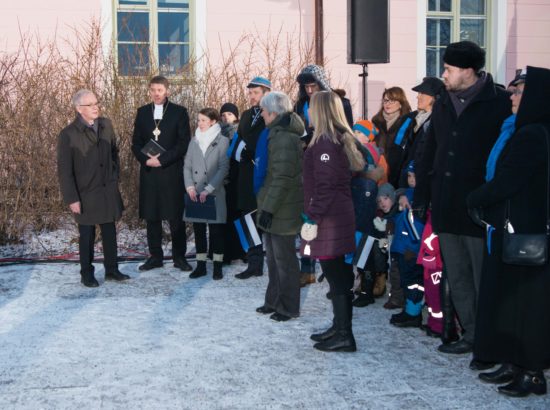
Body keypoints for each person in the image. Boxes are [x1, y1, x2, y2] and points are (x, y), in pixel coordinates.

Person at [414, 41, 512, 362]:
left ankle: (490, 340)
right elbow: (431, 151)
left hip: (477, 209)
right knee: (457, 277)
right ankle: (471, 335)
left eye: (449, 69)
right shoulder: (444, 102)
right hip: (444, 205)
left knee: (483, 278)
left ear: (468, 71)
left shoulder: (497, 101)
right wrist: (422, 196)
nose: (443, 74)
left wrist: (490, 198)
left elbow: (504, 157)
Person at [466, 66, 550, 397]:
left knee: (527, 306)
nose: (511, 96)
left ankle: (531, 372)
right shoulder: (527, 130)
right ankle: (515, 362)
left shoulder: (532, 135)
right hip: (517, 229)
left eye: (518, 92)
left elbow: (508, 181)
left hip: (526, 235)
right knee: (511, 304)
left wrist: (474, 198)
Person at [300, 91, 365, 352]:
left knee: (337, 277)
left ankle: (345, 334)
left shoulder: (326, 143)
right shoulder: (329, 139)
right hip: (333, 215)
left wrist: (313, 218)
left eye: (311, 108)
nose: (307, 112)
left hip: (330, 218)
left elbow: (325, 186)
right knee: (335, 274)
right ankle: (339, 327)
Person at [57, 89, 129, 287]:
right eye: (90, 104)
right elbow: (65, 171)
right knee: (87, 235)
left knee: (109, 231)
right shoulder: (68, 135)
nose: (96, 107)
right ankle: (86, 274)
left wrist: (114, 176)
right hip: (85, 193)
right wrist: (72, 198)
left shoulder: (106, 125)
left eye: (96, 102)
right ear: (79, 109)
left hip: (107, 189)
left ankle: (112, 270)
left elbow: (114, 152)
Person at [131, 76, 192, 273]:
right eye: (153, 90)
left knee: (175, 218)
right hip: (149, 172)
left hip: (171, 171)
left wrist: (162, 160)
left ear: (167, 91)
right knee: (152, 217)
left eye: (160, 90)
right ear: (149, 90)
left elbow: (183, 143)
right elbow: (136, 143)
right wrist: (145, 159)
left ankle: (179, 257)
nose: (156, 93)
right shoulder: (142, 113)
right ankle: (155, 257)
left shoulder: (179, 112)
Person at [254, 92, 304, 321]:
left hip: (282, 208)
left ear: (273, 113)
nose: (261, 113)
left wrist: (268, 209)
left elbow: (282, 178)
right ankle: (273, 301)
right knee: (273, 259)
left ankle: (289, 307)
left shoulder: (284, 138)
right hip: (274, 206)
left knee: (285, 262)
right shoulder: (277, 134)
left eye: (264, 110)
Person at [232, 76, 271, 279]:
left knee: (261, 219)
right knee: (247, 218)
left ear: (266, 93)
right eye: (250, 92)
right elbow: (238, 140)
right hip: (245, 174)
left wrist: (254, 152)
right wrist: (240, 153)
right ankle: (253, 262)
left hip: (262, 175)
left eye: (256, 93)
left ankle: (266, 261)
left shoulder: (273, 115)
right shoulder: (247, 115)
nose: (252, 96)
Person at [184, 108, 229, 280]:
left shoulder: (223, 141)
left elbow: (224, 167)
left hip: (214, 192)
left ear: (213, 122)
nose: (200, 123)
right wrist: (189, 187)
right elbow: (187, 166)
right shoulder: (193, 141)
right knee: (199, 231)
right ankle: (201, 266)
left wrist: (209, 188)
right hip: (195, 192)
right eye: (198, 120)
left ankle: (217, 266)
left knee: (216, 231)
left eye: (203, 120)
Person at [389, 162, 425, 327]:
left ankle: (413, 313)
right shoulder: (408, 194)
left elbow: (417, 224)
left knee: (413, 279)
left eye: (415, 177)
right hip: (403, 245)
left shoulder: (421, 198)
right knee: (406, 277)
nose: (411, 180)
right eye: (409, 176)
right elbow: (402, 218)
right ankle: (409, 310)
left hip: (412, 247)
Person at [218, 102, 245, 264]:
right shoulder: (218, 133)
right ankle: (226, 252)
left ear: (236, 116)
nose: (225, 117)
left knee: (238, 216)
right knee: (225, 218)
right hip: (223, 180)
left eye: (229, 114)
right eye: (223, 115)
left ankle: (241, 251)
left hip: (238, 178)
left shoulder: (240, 132)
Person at [371, 87, 412, 188]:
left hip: (398, 173)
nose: (387, 104)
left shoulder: (408, 122)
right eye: (385, 100)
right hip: (378, 172)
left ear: (401, 103)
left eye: (392, 100)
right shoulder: (376, 121)